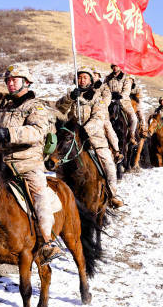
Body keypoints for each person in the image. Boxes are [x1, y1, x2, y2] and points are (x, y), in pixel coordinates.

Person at [0, 64, 64, 262]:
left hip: (28, 164)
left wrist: (9, 133)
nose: (10, 83)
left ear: (27, 82)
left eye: (15, 79)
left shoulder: (36, 106)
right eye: (8, 80)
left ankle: (48, 242)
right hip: (4, 163)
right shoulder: (5, 106)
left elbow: (37, 132)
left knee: (39, 196)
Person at [56, 66, 124, 208]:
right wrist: (70, 98)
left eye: (85, 77)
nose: (81, 80)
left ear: (90, 80)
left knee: (108, 165)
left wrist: (84, 131)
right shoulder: (72, 95)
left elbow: (98, 118)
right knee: (59, 164)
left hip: (93, 140)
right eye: (79, 77)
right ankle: (60, 194)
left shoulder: (97, 98)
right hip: (72, 141)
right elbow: (59, 109)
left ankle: (112, 195)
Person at [92, 70, 124, 164]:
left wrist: (99, 105)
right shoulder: (88, 87)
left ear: (99, 76)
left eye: (96, 75)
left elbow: (106, 99)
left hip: (101, 113)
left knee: (108, 129)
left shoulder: (104, 87)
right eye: (92, 75)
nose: (94, 77)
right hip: (87, 113)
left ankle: (116, 151)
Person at [105, 64, 138, 145]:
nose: (115, 68)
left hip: (124, 101)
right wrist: (109, 96)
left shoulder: (125, 77)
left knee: (134, 118)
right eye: (114, 66)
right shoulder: (108, 78)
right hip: (110, 100)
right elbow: (104, 88)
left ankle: (132, 135)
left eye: (117, 66)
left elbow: (127, 90)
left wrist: (120, 96)